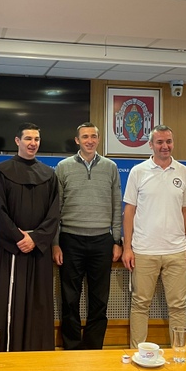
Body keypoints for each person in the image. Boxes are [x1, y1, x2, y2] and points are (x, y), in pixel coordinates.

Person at [0, 123, 60, 352]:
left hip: (38, 250)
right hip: (8, 249)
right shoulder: (2, 172)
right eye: (28, 139)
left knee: (37, 303)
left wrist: (36, 239)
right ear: (17, 141)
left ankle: (34, 354)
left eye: (36, 139)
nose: (33, 143)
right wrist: (17, 238)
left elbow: (54, 213)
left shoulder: (49, 175)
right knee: (6, 302)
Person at [122, 125, 186, 348]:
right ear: (151, 145)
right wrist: (127, 247)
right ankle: (137, 352)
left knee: (178, 306)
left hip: (176, 250)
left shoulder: (183, 171)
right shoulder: (138, 171)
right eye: (160, 142)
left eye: (168, 141)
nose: (165, 146)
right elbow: (129, 211)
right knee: (140, 305)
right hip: (144, 250)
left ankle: (179, 352)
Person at [53, 122, 122, 350]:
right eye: (85, 137)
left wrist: (117, 241)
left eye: (93, 136)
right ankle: (72, 347)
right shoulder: (63, 167)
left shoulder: (110, 167)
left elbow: (116, 205)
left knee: (99, 299)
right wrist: (55, 243)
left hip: (102, 240)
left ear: (99, 139)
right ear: (77, 140)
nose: (89, 140)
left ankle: (93, 348)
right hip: (70, 239)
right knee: (70, 299)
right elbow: (55, 208)